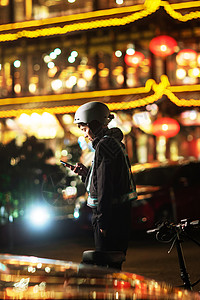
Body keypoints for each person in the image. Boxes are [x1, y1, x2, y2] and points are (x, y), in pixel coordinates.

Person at [72, 101, 137, 257]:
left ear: (95, 124)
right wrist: (86, 174)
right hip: (120, 214)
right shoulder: (113, 143)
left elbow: (105, 186)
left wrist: (103, 222)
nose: (85, 135)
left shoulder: (104, 146)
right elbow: (105, 178)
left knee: (107, 266)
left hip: (112, 217)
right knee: (114, 262)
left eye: (85, 129)